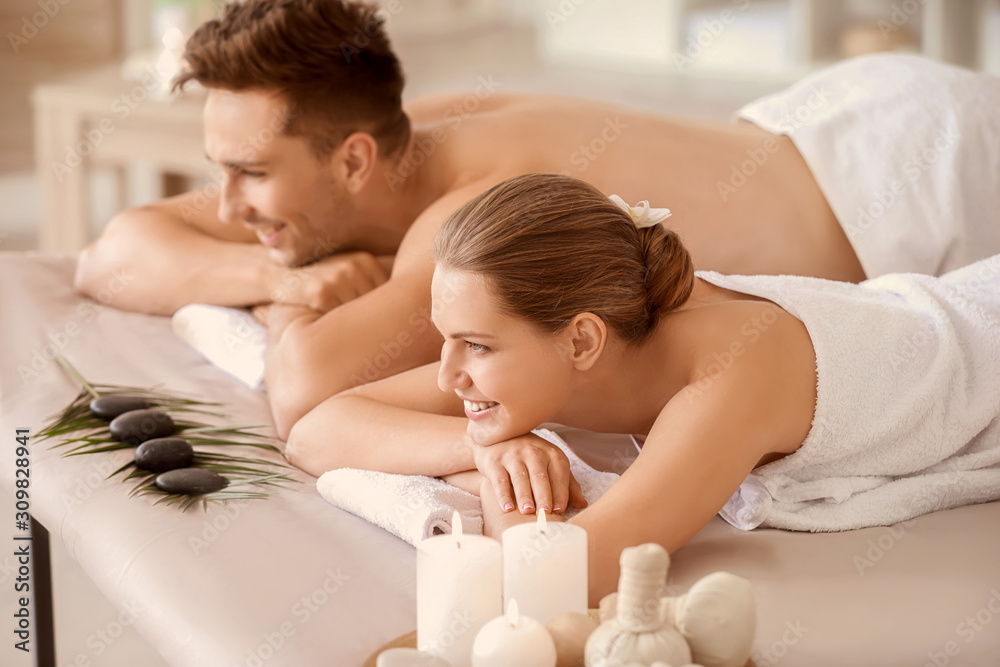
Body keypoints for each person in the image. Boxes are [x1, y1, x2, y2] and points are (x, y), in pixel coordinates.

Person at [73, 0, 1000, 440]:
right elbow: (113, 253)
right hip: (832, 113)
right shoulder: (402, 132)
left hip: (921, 178)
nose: (229, 207)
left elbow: (303, 388)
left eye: (250, 175)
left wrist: (294, 312)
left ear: (351, 160)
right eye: (219, 176)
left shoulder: (478, 202)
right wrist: (282, 278)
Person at [285, 174, 1000, 605]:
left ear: (583, 340)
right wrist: (486, 449)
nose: (448, 375)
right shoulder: (576, 338)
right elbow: (318, 427)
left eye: (476, 344)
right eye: (447, 338)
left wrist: (491, 460)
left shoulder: (729, 378)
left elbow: (561, 574)